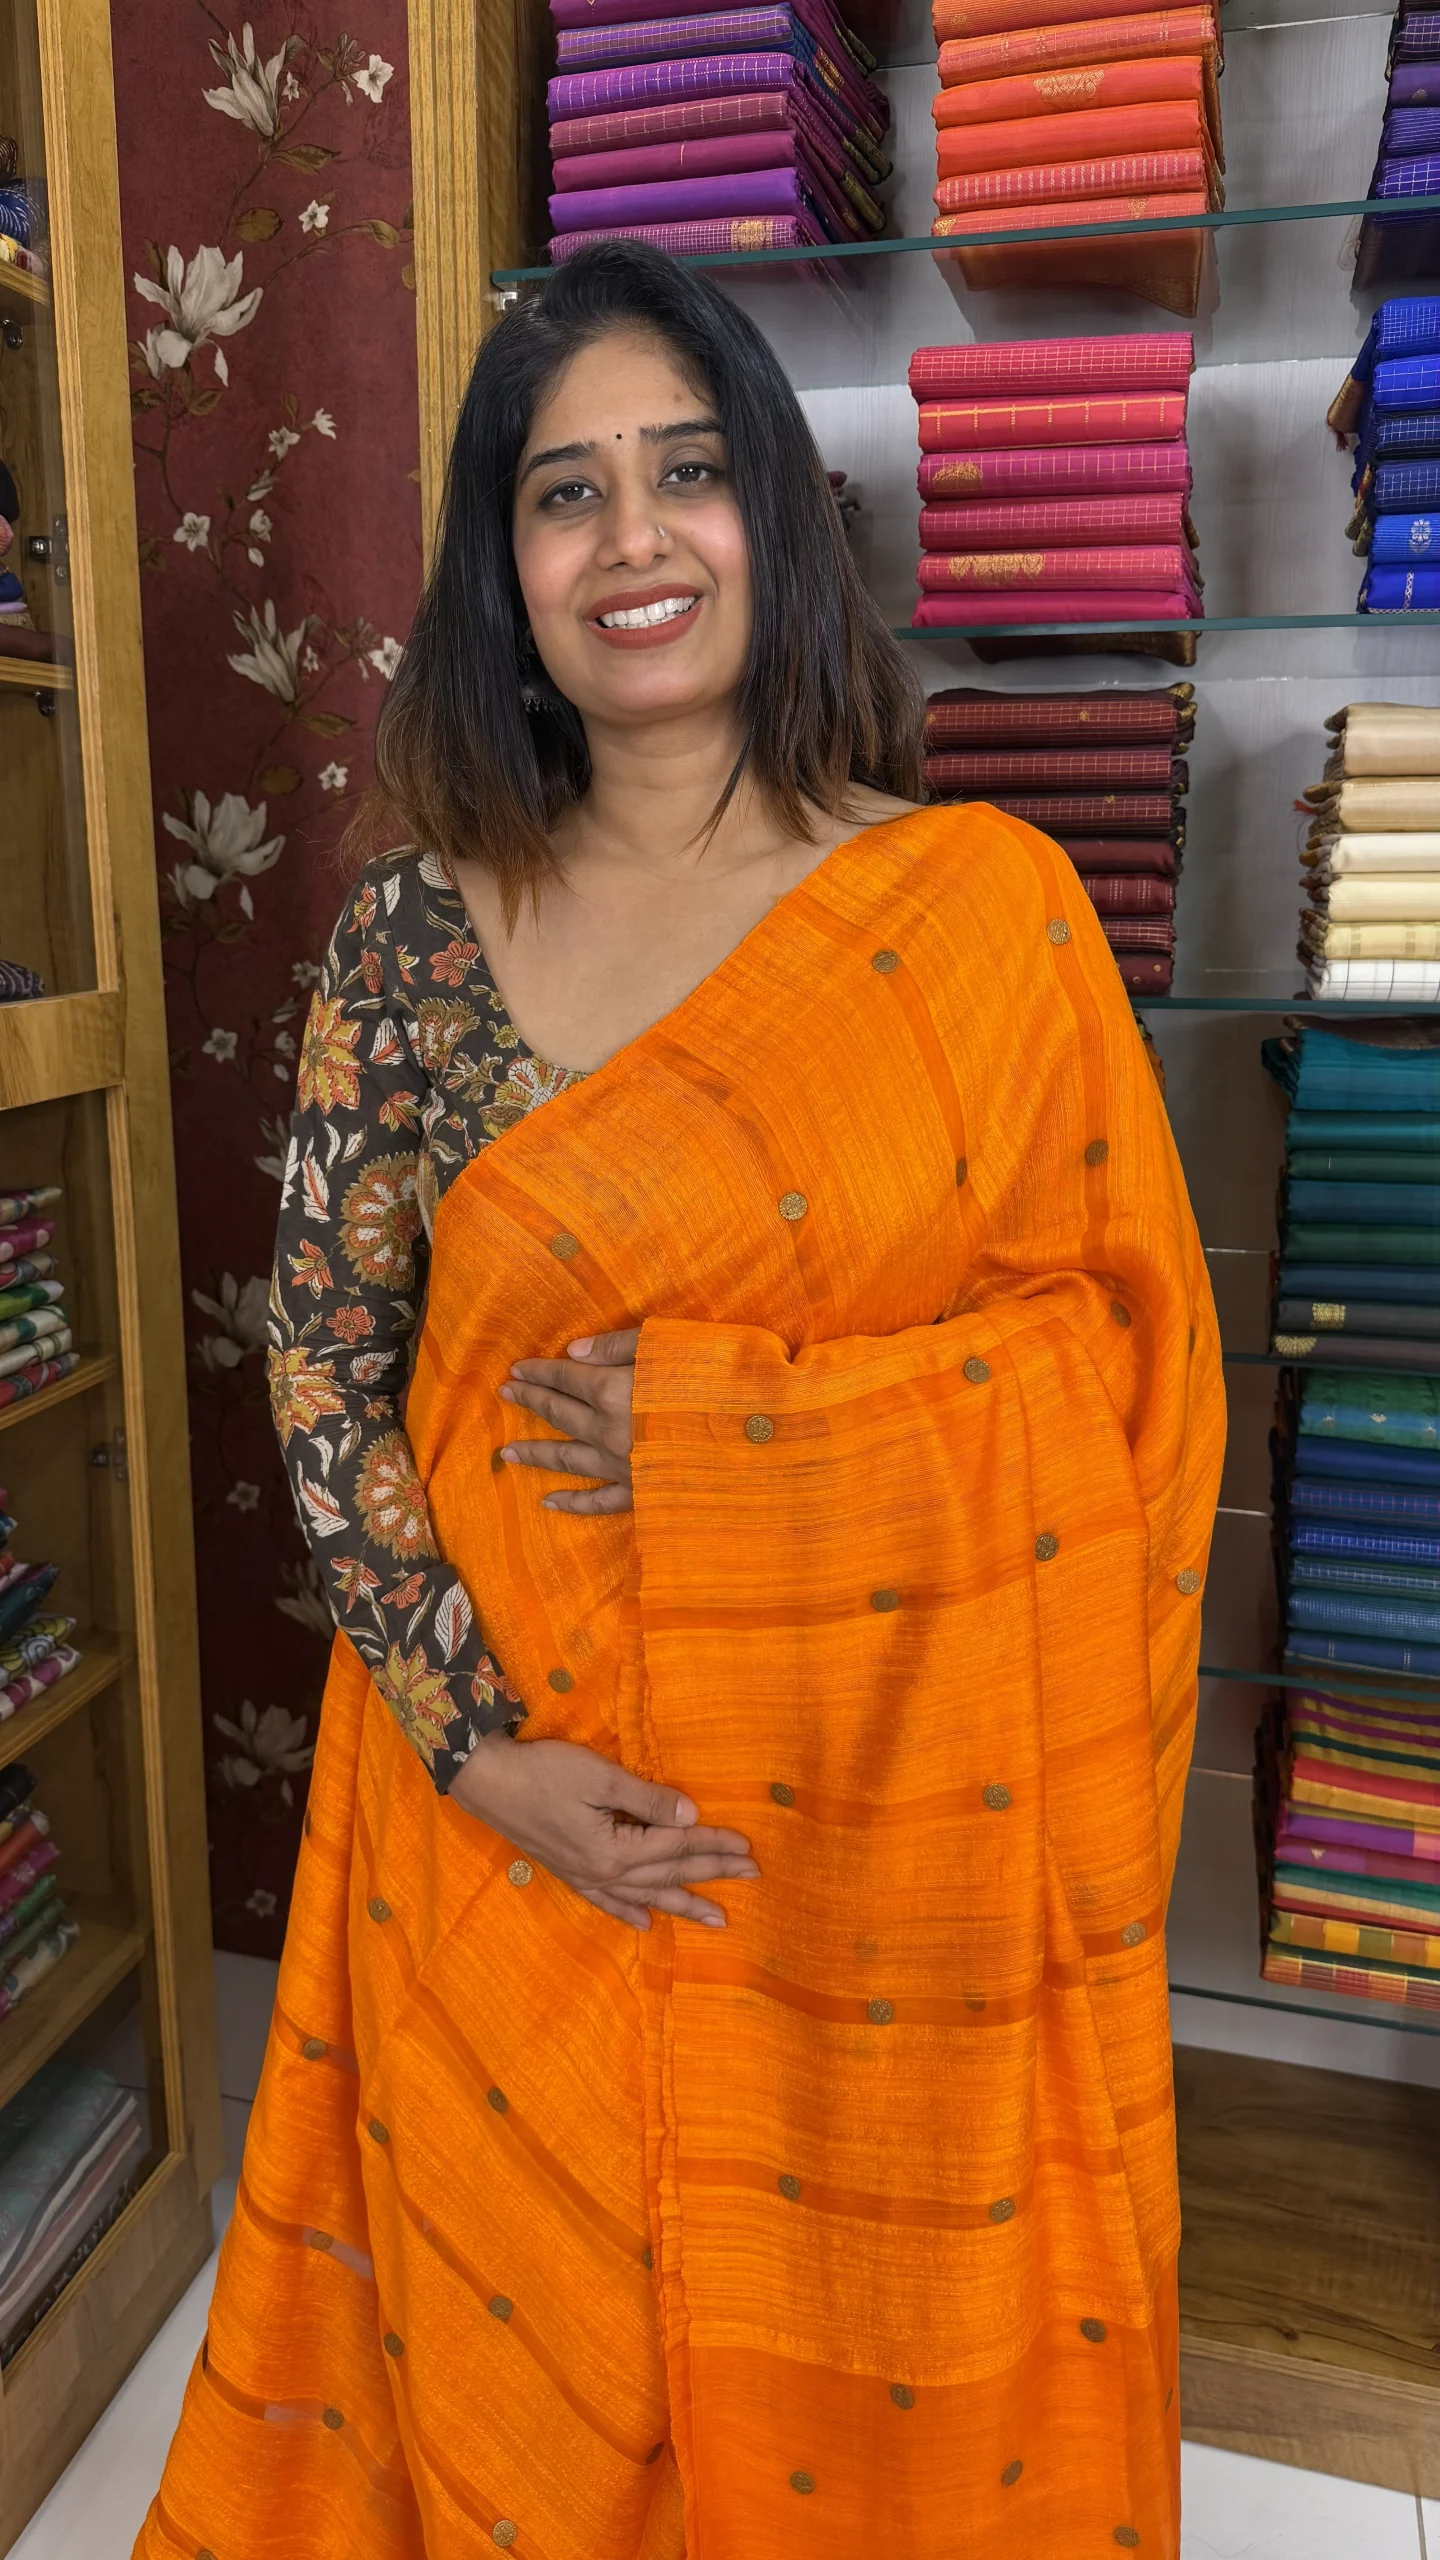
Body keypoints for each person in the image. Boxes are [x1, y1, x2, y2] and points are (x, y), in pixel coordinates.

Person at [137, 241, 1224, 2560]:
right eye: (566, 492)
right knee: (516, 2372)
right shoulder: (411, 935)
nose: (633, 539)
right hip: (495, 1819)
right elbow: (323, 1360)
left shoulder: (981, 911)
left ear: (778, 522)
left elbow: (1122, 1373)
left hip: (867, 1854)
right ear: (502, 566)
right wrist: (474, 1749)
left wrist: (747, 1438)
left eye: (689, 472)